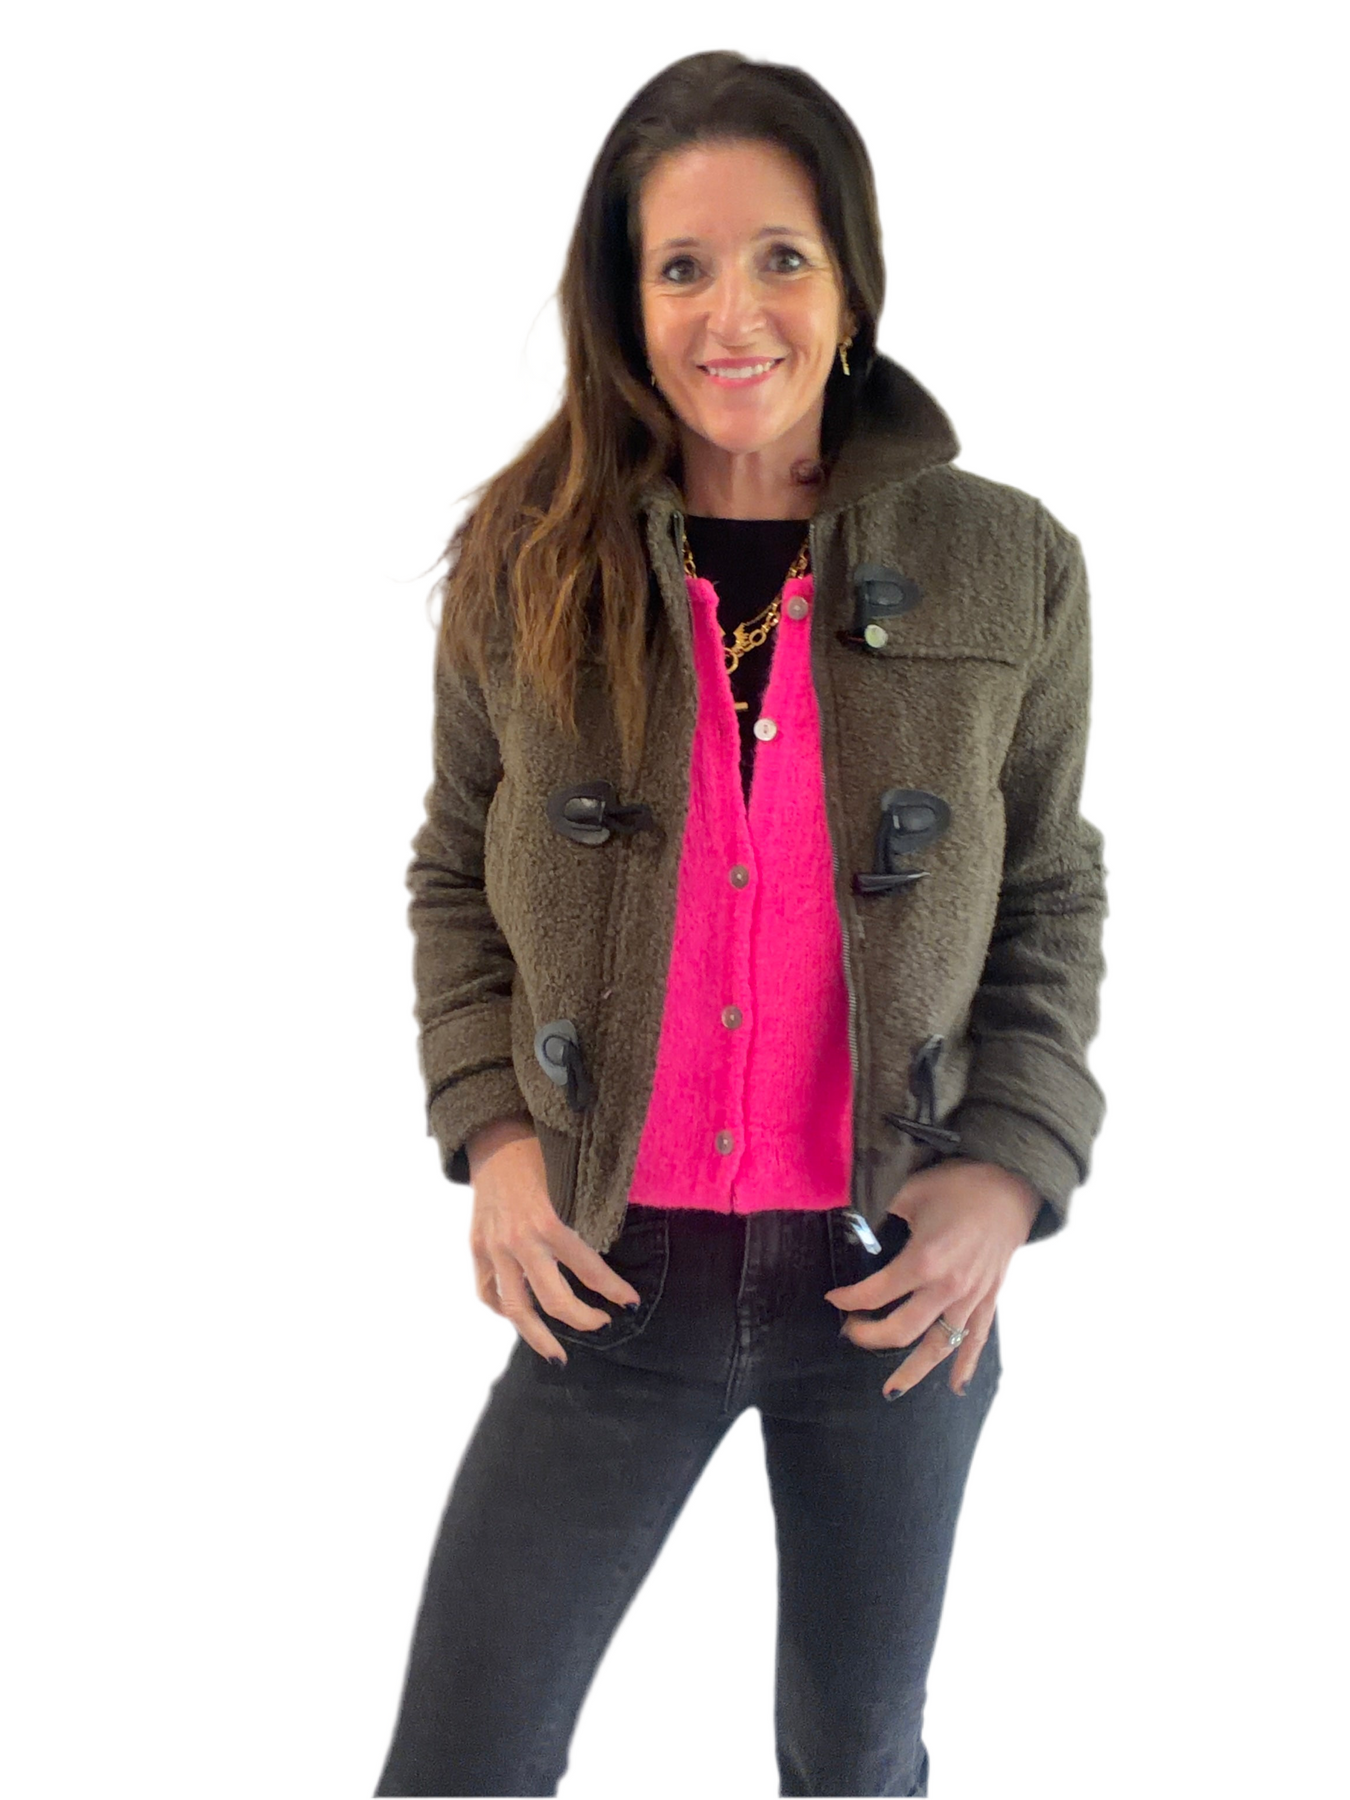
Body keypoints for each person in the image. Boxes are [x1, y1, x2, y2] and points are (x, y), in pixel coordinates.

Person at [373, 48, 1107, 1800]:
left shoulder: (1009, 559)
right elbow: (452, 873)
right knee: (462, 1760)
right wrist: (494, 1138)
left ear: (850, 276)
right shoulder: (527, 556)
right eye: (681, 266)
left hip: (890, 1281)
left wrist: (1010, 1168)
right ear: (622, 303)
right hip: (610, 1269)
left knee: (853, 1761)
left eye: (781, 256)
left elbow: (1049, 889)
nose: (733, 313)